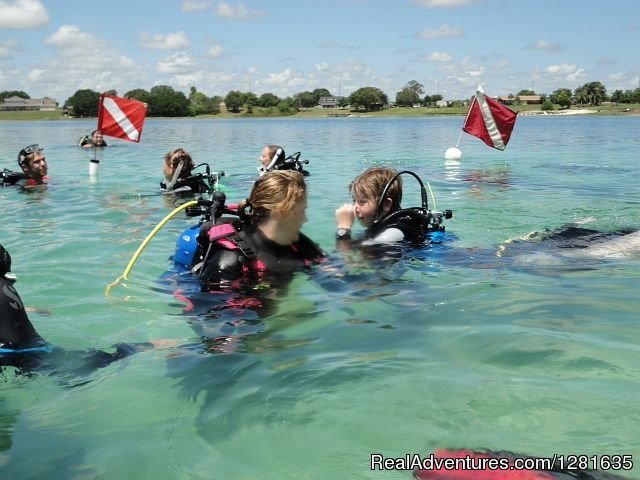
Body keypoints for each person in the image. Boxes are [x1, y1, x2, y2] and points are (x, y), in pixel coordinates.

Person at [0, 244, 157, 376]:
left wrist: (27, 310)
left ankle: (138, 348)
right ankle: (139, 348)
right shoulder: (3, 285)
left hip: (21, 355)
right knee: (111, 358)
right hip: (33, 355)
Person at [193, 170, 326, 287]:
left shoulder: (296, 243)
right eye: (302, 212)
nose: (305, 220)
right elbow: (213, 311)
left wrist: (342, 234)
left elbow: (333, 276)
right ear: (281, 213)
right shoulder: (229, 260)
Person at [335, 166, 439, 244]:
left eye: (362, 201)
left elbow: (351, 263)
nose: (355, 208)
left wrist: (344, 229)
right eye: (354, 201)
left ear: (386, 205)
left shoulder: (391, 235)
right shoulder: (377, 229)